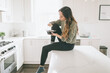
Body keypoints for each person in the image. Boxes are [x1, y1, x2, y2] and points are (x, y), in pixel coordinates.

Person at [36, 6, 78, 73]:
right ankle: (52, 42)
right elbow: (55, 22)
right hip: (63, 40)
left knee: (45, 48)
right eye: (59, 15)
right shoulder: (63, 21)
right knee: (54, 25)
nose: (59, 18)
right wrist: (51, 23)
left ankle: (41, 67)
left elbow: (68, 40)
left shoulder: (73, 24)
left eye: (61, 16)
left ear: (67, 16)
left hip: (68, 45)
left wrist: (56, 35)